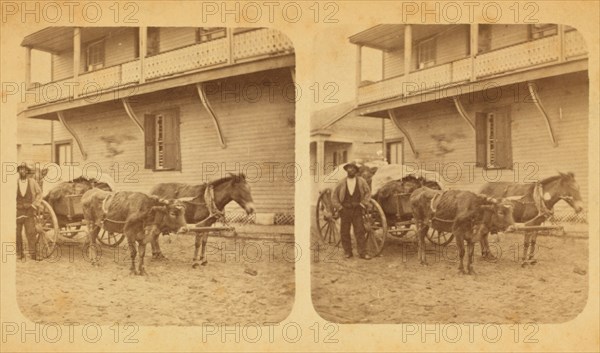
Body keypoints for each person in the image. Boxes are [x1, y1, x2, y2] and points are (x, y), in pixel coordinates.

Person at [331, 162, 372, 260]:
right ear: (346, 170)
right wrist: (339, 207)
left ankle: (363, 253)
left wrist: (363, 204)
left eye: (353, 169)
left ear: (356, 171)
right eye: (349, 168)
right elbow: (334, 196)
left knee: (360, 231)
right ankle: (348, 252)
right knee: (344, 231)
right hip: (344, 210)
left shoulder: (361, 181)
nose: (351, 170)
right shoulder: (341, 182)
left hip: (357, 209)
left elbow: (367, 192)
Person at [16, 162, 43, 260]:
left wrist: (34, 204)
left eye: (25, 169)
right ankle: (19, 253)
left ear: (27, 171)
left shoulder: (32, 182)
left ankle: (33, 254)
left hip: (29, 210)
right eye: (21, 169)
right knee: (17, 233)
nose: (23, 171)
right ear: (18, 171)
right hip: (17, 211)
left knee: (31, 232)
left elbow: (39, 193)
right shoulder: (14, 182)